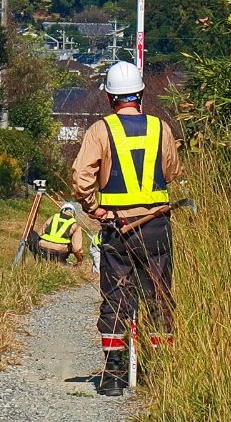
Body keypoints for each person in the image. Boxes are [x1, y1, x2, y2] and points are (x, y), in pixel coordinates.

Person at [71, 61, 183, 396]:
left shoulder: (100, 131)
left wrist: (96, 209)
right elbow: (173, 171)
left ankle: (114, 374)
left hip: (118, 228)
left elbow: (81, 179)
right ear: (142, 94)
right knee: (159, 297)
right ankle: (160, 374)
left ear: (109, 97)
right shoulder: (160, 128)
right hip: (157, 227)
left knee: (116, 296)